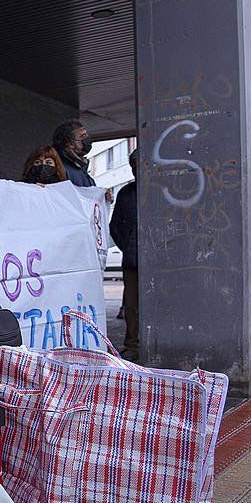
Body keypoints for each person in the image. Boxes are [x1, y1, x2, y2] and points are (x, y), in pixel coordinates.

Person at [109, 151, 140, 360]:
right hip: (133, 260)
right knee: (132, 305)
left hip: (162, 261)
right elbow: (115, 226)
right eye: (134, 165)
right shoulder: (126, 193)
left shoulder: (163, 188)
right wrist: (128, 246)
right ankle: (133, 345)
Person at [53, 120, 95, 187]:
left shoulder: (81, 169)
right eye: (83, 136)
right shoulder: (59, 170)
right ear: (70, 143)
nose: (87, 138)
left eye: (86, 134)